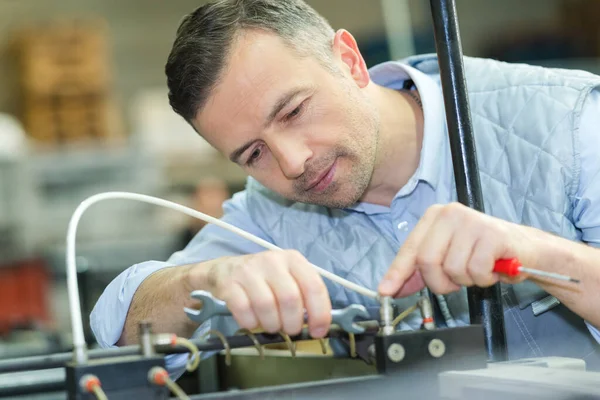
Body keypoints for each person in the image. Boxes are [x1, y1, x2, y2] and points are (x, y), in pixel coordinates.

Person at [91, 0, 600, 377]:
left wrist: (549, 259)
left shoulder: (567, 123)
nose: (293, 164)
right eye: (253, 154)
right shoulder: (272, 216)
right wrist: (199, 283)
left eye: (293, 111)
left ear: (350, 61)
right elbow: (116, 344)